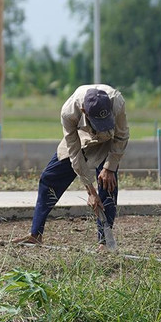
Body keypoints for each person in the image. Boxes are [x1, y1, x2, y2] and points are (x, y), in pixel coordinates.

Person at [15, 85, 129, 247]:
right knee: (49, 179)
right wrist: (90, 191)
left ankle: (104, 242)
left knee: (107, 182)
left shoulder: (117, 102)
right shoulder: (69, 112)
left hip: (108, 138)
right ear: (84, 111)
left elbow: (122, 135)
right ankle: (35, 233)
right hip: (80, 135)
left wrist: (109, 167)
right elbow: (75, 155)